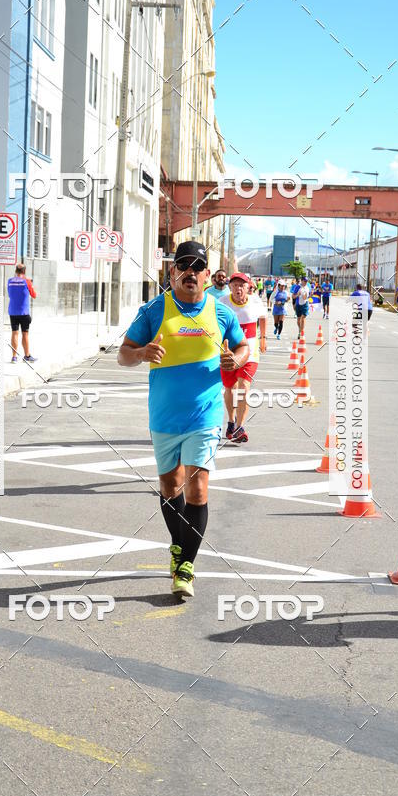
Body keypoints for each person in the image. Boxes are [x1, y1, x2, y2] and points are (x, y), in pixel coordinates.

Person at [117, 241, 248, 598]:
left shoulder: (222, 313)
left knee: (197, 487)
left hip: (205, 416)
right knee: (170, 486)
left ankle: (185, 566)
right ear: (173, 272)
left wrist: (237, 359)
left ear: (208, 275)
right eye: (183, 266)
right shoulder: (154, 310)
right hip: (164, 416)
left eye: (197, 267)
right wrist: (142, 352)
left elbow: (243, 345)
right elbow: (122, 356)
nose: (190, 272)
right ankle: (178, 546)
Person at [219, 272, 267, 443]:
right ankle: (231, 421)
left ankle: (240, 427)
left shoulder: (255, 301)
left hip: (250, 353)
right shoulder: (222, 303)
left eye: (242, 285)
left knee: (243, 388)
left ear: (248, 287)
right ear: (229, 287)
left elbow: (262, 318)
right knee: (230, 388)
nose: (238, 288)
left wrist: (263, 337)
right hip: (228, 353)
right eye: (235, 285)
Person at [7, 263, 37, 362]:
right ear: (24, 271)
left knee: (14, 333)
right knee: (25, 334)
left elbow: (10, 293)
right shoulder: (27, 282)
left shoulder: (9, 281)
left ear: (16, 271)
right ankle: (27, 356)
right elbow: (34, 295)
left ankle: (14, 357)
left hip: (13, 311)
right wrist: (31, 286)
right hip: (24, 313)